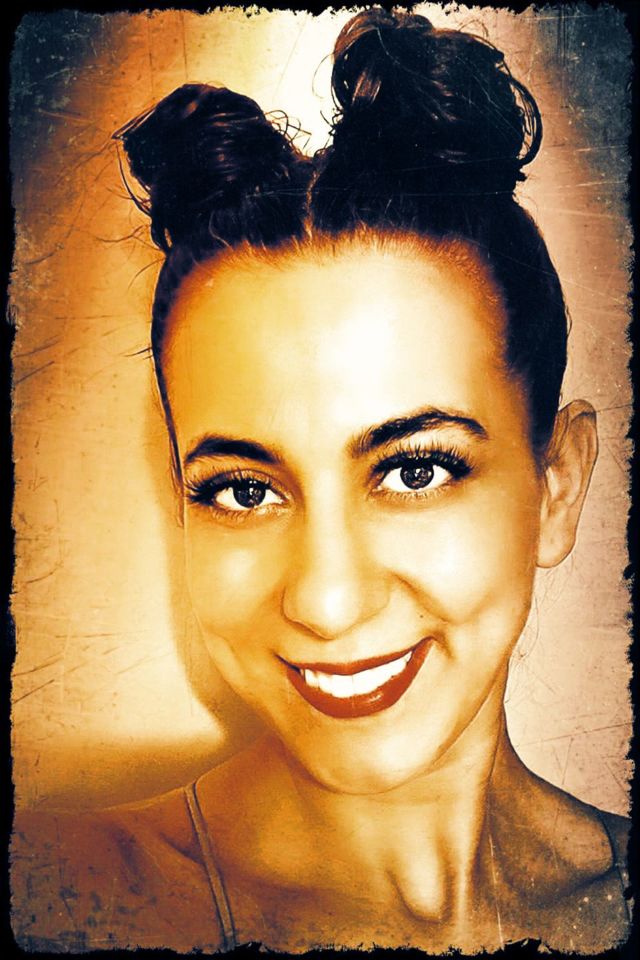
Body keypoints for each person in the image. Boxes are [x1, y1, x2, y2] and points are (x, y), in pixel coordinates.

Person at [11, 8, 630, 954]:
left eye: (415, 470)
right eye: (243, 490)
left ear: (558, 486)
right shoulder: (53, 901)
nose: (328, 603)